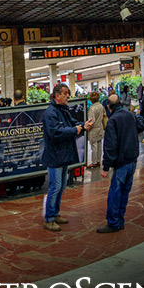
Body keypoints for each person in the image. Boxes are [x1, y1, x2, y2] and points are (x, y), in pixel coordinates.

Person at [42, 83, 93, 232]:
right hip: (55, 156)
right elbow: (55, 132)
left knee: (61, 186)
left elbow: (72, 124)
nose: (68, 96)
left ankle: (55, 214)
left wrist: (83, 126)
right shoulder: (51, 113)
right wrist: (75, 130)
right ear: (57, 95)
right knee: (55, 186)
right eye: (65, 93)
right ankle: (49, 218)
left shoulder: (62, 111)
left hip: (63, 155)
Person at [97, 93, 143, 233]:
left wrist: (105, 167)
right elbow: (141, 125)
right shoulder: (130, 115)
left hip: (121, 162)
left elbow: (110, 146)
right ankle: (120, 220)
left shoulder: (113, 121)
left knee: (115, 193)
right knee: (124, 193)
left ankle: (113, 223)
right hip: (133, 160)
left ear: (109, 107)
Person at [86, 92, 105, 169]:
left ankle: (93, 162)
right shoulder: (101, 106)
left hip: (94, 129)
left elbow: (91, 121)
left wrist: (87, 129)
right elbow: (104, 115)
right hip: (100, 127)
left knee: (94, 146)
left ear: (91, 100)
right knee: (99, 145)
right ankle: (98, 161)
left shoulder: (92, 109)